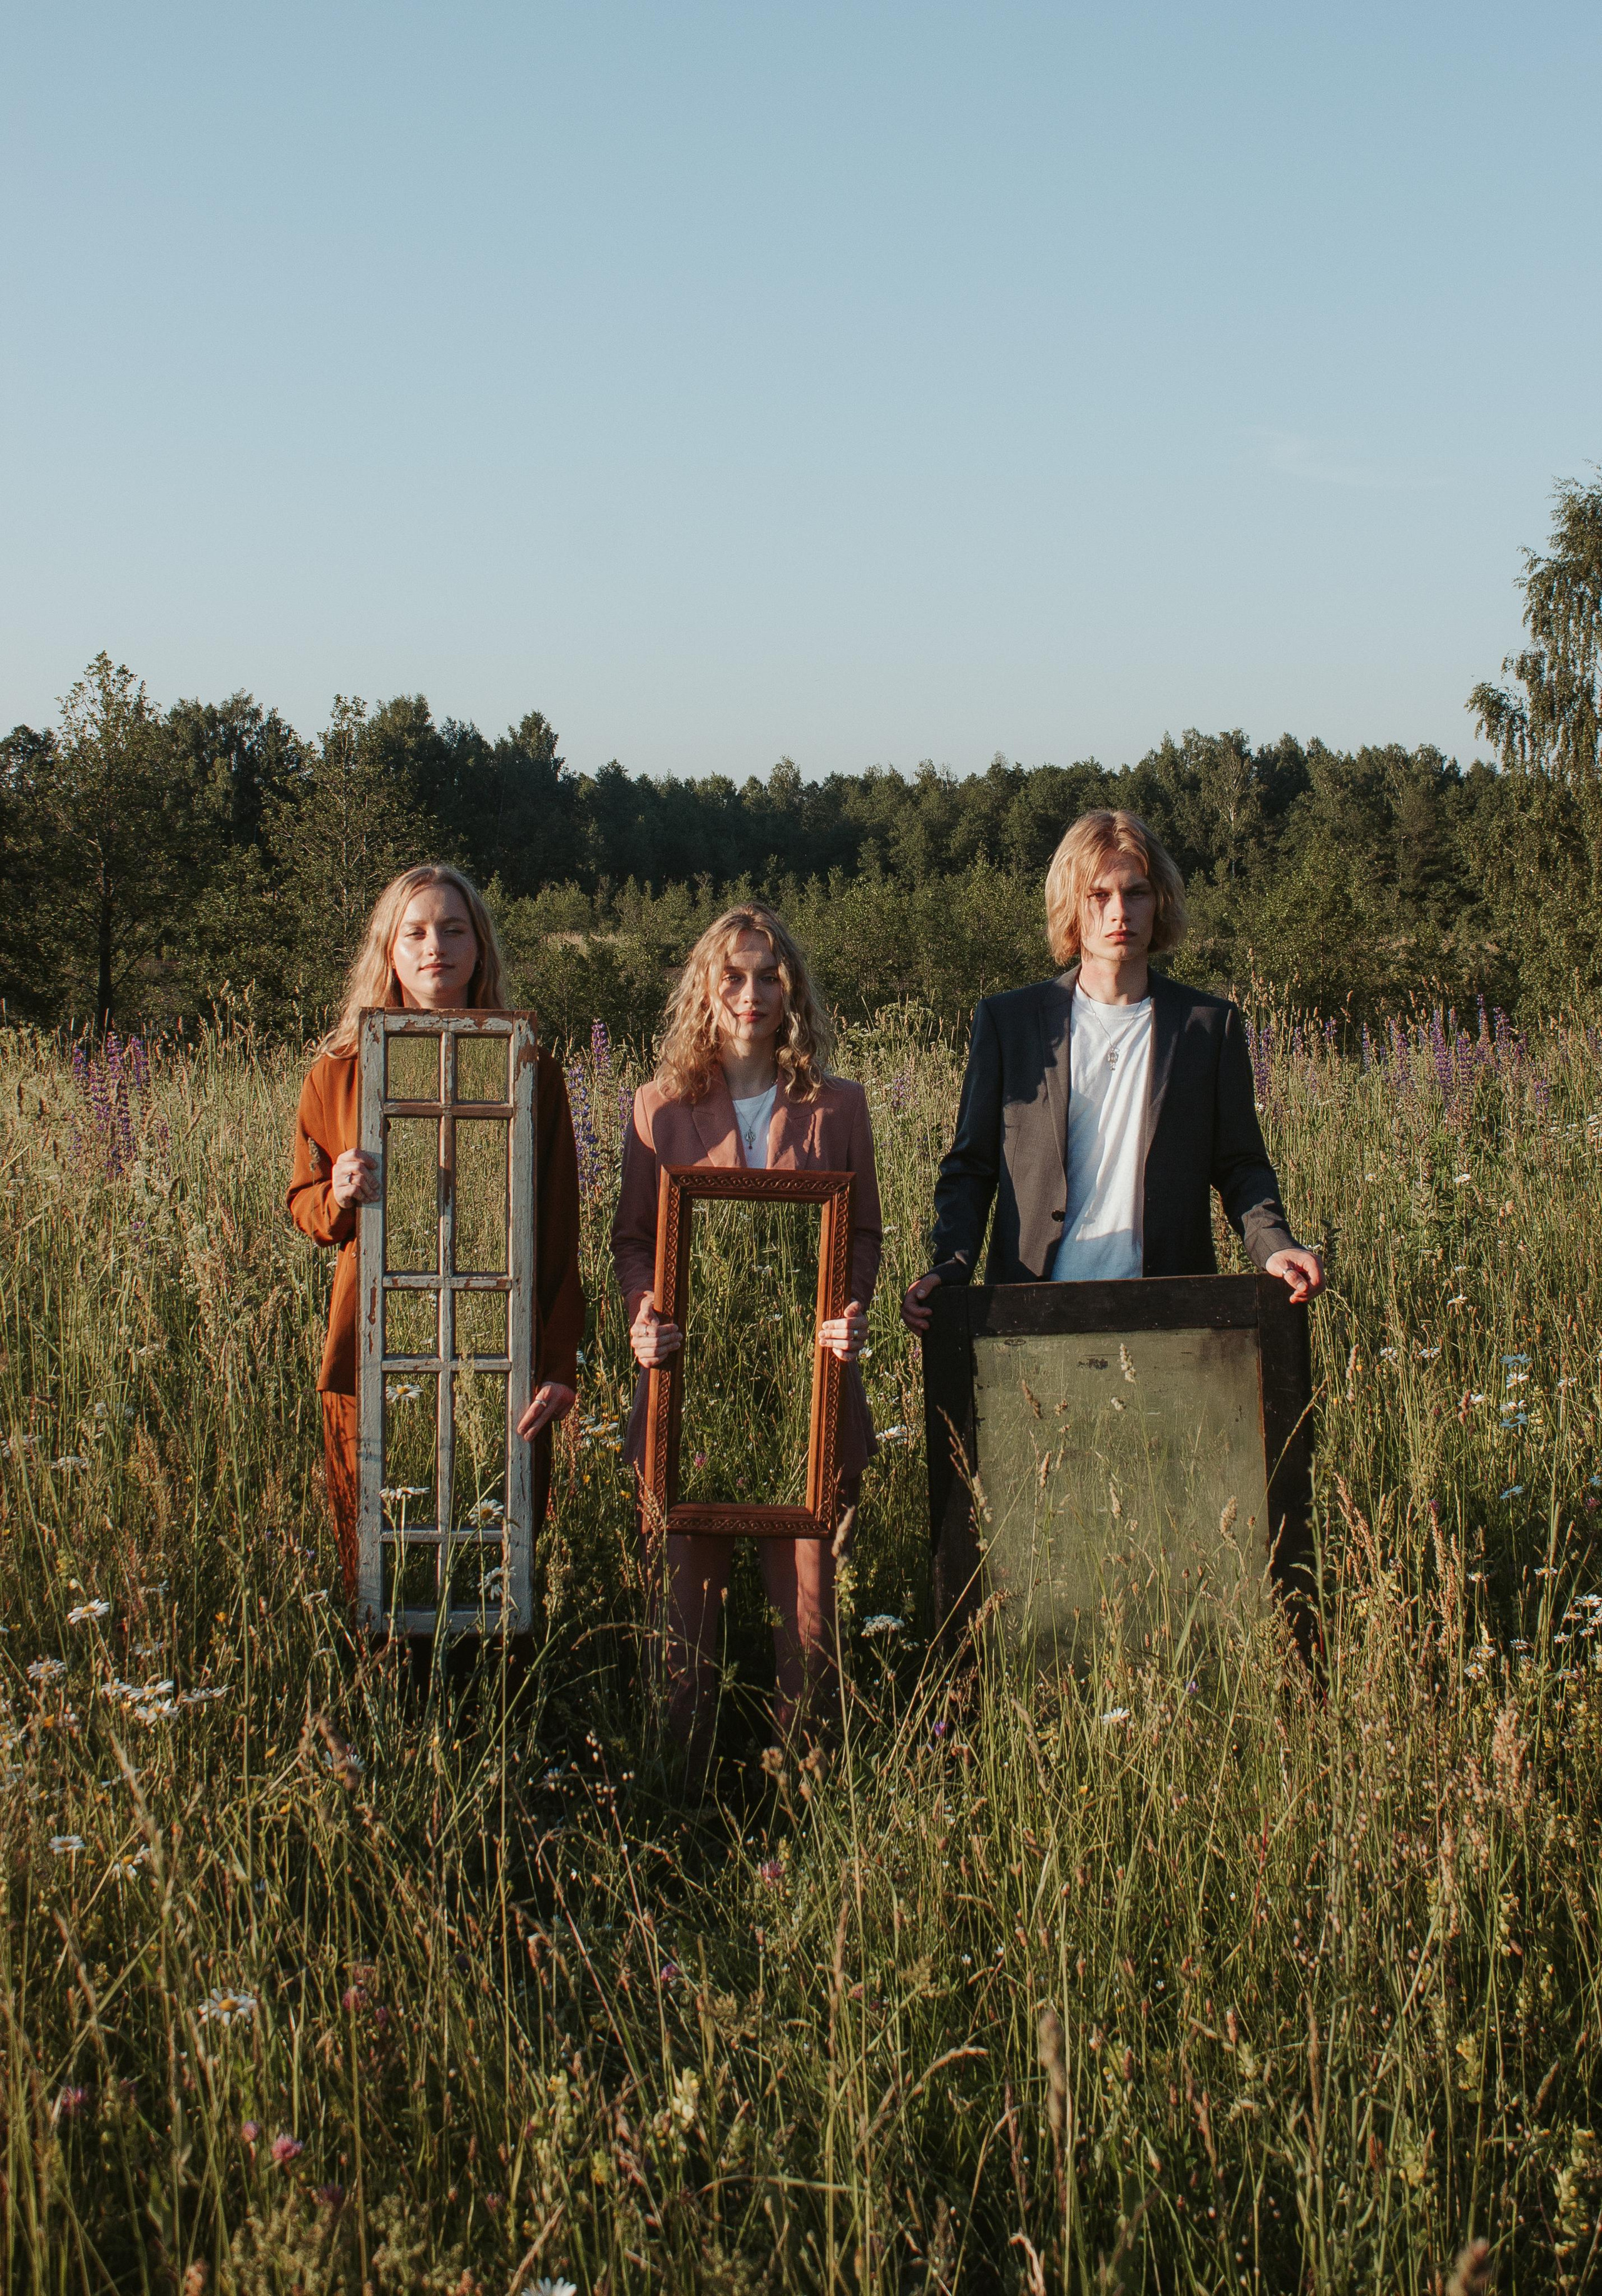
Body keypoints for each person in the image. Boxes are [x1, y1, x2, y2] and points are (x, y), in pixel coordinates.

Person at [611, 904, 882, 1767]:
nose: (753, 993)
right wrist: (644, 1313)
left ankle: (809, 1800)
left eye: (770, 975)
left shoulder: (838, 1106)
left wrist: (849, 1305)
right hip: (689, 1394)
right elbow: (631, 1238)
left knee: (808, 1619)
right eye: (733, 975)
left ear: (791, 989)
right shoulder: (657, 1108)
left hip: (806, 1397)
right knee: (682, 1622)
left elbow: (862, 1232)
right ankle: (680, 1794)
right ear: (706, 987)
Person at [902, 808, 1324, 1334]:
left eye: (1137, 892)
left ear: (1159, 902)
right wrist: (950, 1265)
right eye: (1099, 895)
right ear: (1072, 908)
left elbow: (1240, 1165)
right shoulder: (1008, 1023)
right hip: (1032, 1307)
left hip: (1168, 1311)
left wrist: (1275, 1244)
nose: (1119, 912)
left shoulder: (1208, 1026)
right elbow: (971, 1168)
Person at [287, 863, 584, 1603]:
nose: (435, 947)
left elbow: (557, 1233)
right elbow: (304, 1201)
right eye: (415, 931)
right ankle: (387, 1703)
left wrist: (555, 1360)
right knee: (376, 1568)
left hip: (498, 1346)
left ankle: (497, 1710)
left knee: (495, 1568)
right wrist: (340, 1194)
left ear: (480, 945)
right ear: (388, 948)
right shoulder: (340, 1069)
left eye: (454, 929)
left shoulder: (529, 1069)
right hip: (373, 1340)